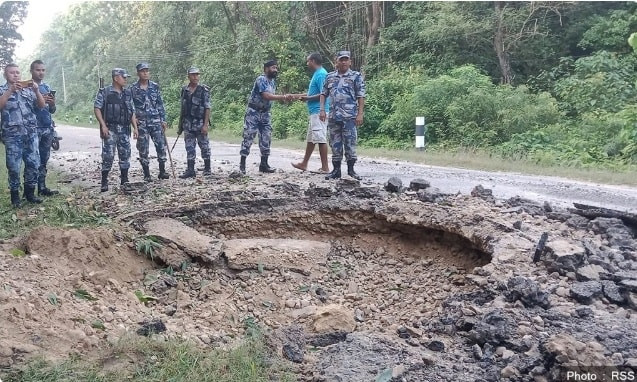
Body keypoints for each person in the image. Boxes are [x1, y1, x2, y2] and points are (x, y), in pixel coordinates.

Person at [0, 63, 46, 207]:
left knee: (33, 164)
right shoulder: (2, 90)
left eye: (18, 72)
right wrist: (9, 91)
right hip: (12, 135)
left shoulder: (27, 89)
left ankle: (30, 193)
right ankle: (15, 197)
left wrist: (37, 91)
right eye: (12, 72)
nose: (16, 75)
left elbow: (41, 105)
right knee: (14, 167)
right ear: (5, 75)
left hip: (31, 133)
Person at [239, 59, 292, 174]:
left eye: (276, 68)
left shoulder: (272, 82)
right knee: (248, 136)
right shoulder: (261, 79)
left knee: (266, 138)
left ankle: (264, 164)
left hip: (265, 113)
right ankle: (242, 164)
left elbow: (271, 97)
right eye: (273, 68)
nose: (275, 70)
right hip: (253, 112)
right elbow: (267, 96)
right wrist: (283, 97)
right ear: (266, 69)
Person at [320, 50, 366, 180]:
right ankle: (336, 170)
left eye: (346, 59)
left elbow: (361, 96)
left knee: (350, 143)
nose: (344, 62)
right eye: (341, 59)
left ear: (350, 62)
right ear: (336, 62)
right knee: (335, 143)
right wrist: (322, 110)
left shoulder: (356, 76)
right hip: (334, 116)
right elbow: (323, 94)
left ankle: (351, 171)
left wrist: (360, 114)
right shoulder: (329, 77)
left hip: (350, 117)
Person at [94, 68, 138, 192]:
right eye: (123, 77)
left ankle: (124, 179)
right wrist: (103, 125)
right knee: (108, 156)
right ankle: (104, 180)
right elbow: (97, 108)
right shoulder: (105, 92)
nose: (125, 79)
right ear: (115, 78)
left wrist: (135, 127)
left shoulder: (127, 93)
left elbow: (131, 111)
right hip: (110, 128)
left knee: (125, 155)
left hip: (124, 128)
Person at [291, 52, 330, 173]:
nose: (307, 64)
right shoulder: (317, 74)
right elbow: (312, 93)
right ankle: (304, 163)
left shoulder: (321, 74)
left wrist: (307, 99)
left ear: (313, 61)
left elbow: (324, 93)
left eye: (308, 61)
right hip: (314, 111)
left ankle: (325, 167)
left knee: (320, 138)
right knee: (311, 139)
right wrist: (297, 95)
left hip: (319, 111)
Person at [130, 62, 169, 181]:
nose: (145, 73)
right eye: (143, 71)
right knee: (143, 148)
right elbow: (130, 106)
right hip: (141, 123)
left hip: (156, 121)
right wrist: (133, 119)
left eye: (147, 70)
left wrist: (163, 119)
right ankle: (147, 174)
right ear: (138, 73)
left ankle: (162, 171)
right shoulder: (133, 88)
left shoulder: (154, 86)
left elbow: (160, 103)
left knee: (161, 146)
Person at [30, 60, 58, 196]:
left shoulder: (47, 87)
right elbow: (24, 109)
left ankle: (42, 187)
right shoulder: (27, 87)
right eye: (38, 70)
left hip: (47, 127)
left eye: (43, 70)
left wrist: (52, 103)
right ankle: (30, 191)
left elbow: (52, 110)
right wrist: (38, 101)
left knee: (44, 159)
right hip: (33, 128)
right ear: (32, 71)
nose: (41, 72)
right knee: (32, 160)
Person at [177, 66, 211, 178]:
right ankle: (190, 170)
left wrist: (205, 125)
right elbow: (182, 108)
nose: (196, 77)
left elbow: (207, 108)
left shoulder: (203, 90)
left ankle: (207, 168)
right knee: (189, 147)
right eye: (193, 75)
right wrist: (180, 125)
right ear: (188, 76)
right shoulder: (184, 90)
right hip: (188, 123)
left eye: (197, 74)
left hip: (200, 122)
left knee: (204, 146)